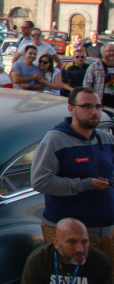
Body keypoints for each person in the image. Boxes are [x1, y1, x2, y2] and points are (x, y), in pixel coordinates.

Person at [31, 87, 114, 266]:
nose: (94, 111)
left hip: (107, 232)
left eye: (98, 106)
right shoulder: (55, 140)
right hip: (72, 237)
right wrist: (86, 184)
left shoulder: (106, 139)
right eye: (86, 106)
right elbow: (40, 181)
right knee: (77, 280)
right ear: (71, 109)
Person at [84, 43, 114, 108]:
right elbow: (87, 86)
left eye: (113, 51)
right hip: (100, 104)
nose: (112, 53)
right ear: (103, 53)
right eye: (109, 51)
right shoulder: (94, 67)